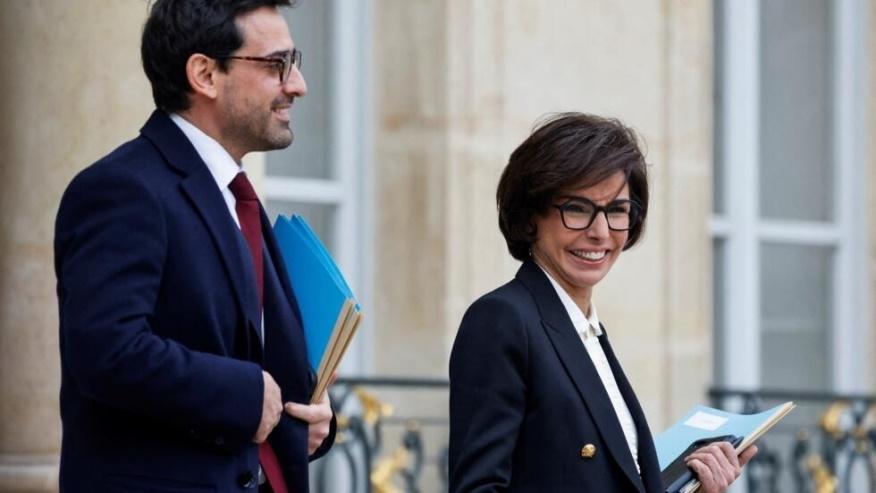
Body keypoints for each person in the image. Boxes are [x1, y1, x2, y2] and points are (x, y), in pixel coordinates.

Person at [54, 1, 335, 491]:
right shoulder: (123, 189)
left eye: (296, 62)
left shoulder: (237, 196)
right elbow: (107, 351)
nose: (297, 85)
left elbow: (255, 359)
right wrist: (244, 395)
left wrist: (310, 418)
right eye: (276, 65)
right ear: (205, 74)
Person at [448, 113, 757, 492]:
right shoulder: (503, 319)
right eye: (577, 209)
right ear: (532, 216)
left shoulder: (586, 330)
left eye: (616, 211)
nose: (600, 232)